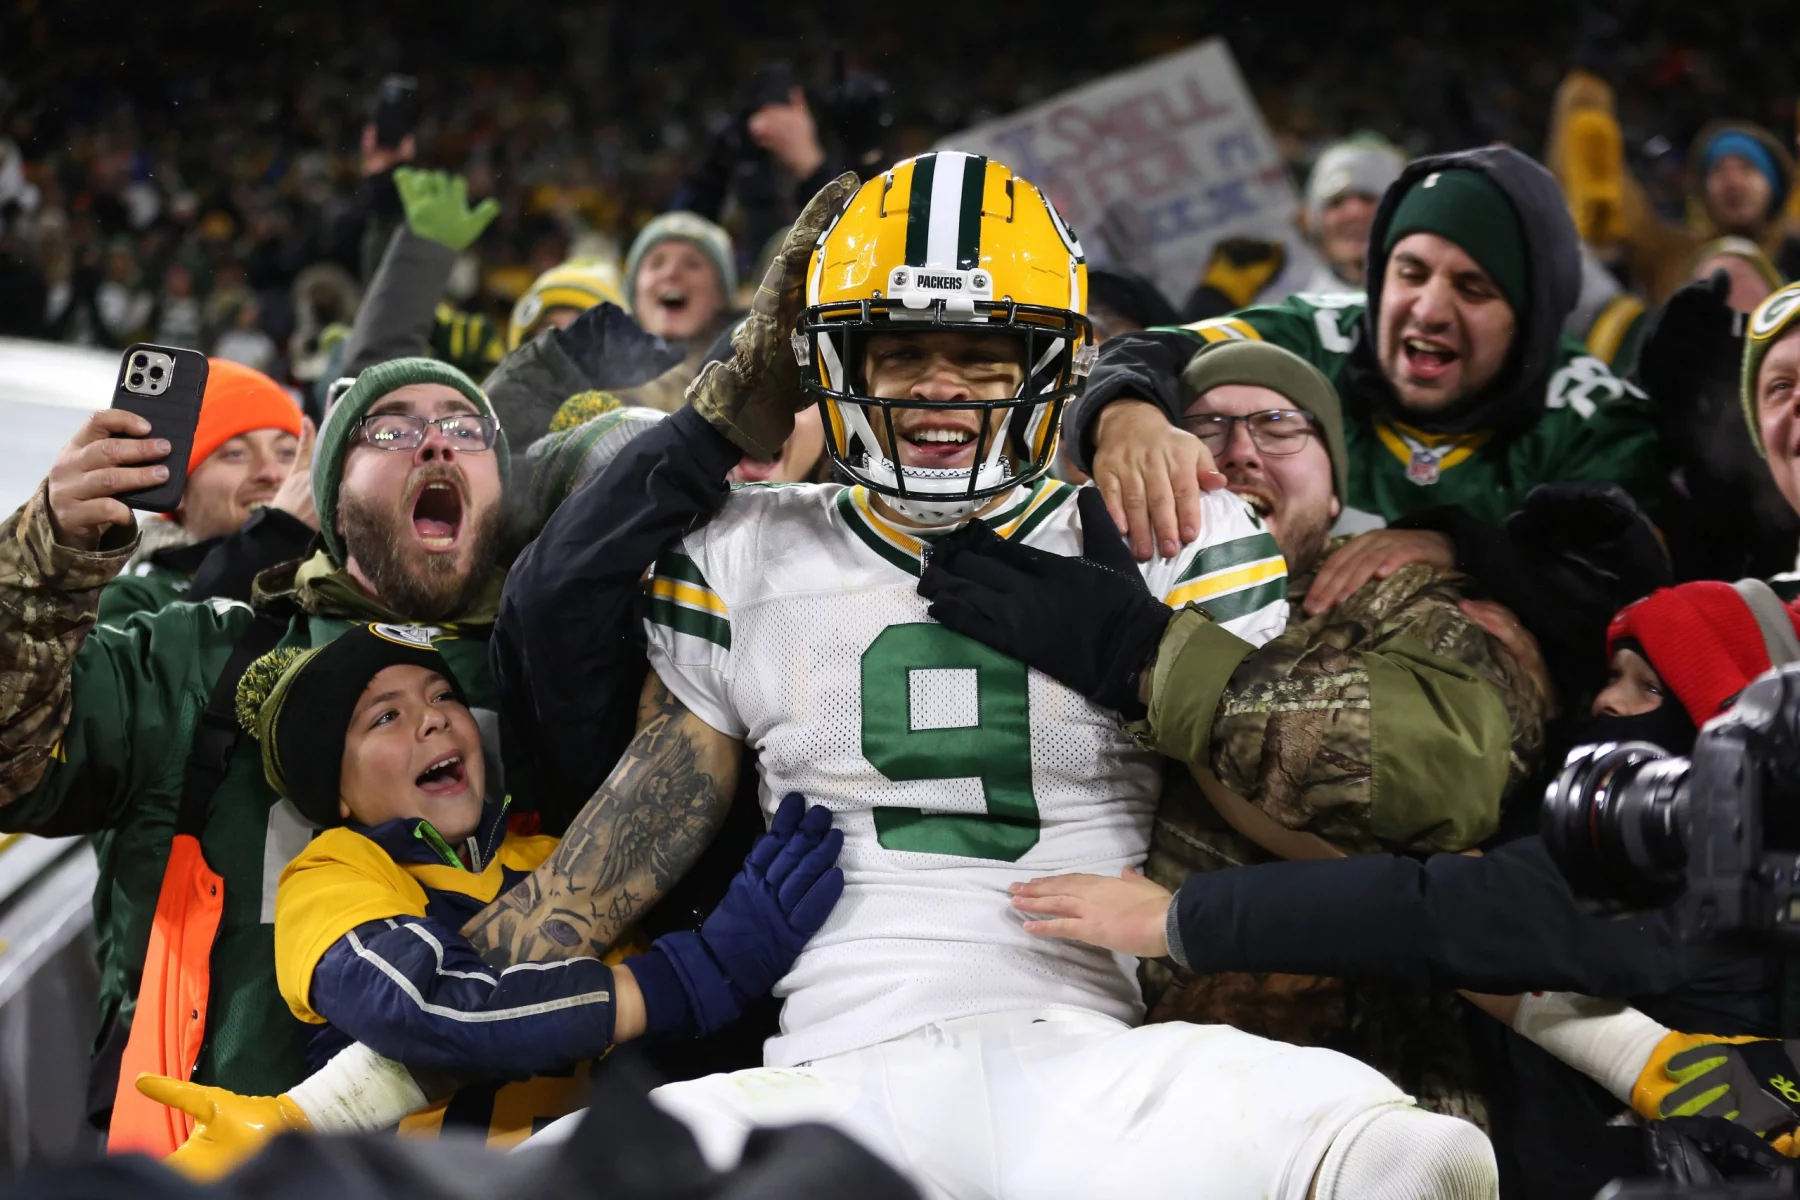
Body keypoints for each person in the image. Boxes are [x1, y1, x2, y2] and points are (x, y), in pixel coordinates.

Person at [505, 153, 1491, 1198]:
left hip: (1090, 1059)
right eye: (902, 351)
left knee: (1413, 1158)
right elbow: (605, 868)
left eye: (982, 356)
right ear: (832, 363)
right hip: (824, 1062)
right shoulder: (744, 547)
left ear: (1053, 369)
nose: (939, 386)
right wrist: (387, 1042)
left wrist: (1148, 659)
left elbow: (1288, 825)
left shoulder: (1163, 528)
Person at [0, 354, 699, 1158]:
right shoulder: (202, 658)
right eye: (392, 428)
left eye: (464, 428)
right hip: (229, 1167)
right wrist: (41, 560)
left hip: (520, 1168)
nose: (434, 444)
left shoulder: (567, 662)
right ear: (330, 491)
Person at [921, 335, 1549, 1119]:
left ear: (1333, 493)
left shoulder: (1405, 594)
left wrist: (1146, 657)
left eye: (1281, 427)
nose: (1241, 453)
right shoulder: (1050, 594)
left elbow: (1449, 768)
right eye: (1206, 428)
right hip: (1098, 1090)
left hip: (1370, 1094)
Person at [1010, 577, 1797, 1197]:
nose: (1607, 702)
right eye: (1612, 677)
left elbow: (1444, 912)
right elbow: (1492, 946)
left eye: (1648, 689)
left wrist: (1179, 920)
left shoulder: (1695, 858)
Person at [135, 624, 842, 1164]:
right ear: (337, 793)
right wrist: (700, 973)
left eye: (443, 696)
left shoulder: (558, 859)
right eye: (384, 716)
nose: (433, 718)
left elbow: (661, 1047)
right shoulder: (334, 871)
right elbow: (422, 1007)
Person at [1069, 146, 1666, 572]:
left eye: (1474, 288)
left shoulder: (1591, 414)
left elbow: (1628, 572)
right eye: (1411, 273)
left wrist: (1474, 553)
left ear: (1532, 320)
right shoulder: (1318, 332)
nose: (1429, 310)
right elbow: (1146, 351)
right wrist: (1125, 417)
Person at [1549, 68, 1800, 301]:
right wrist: (1585, 122)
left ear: (1775, 183)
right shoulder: (1673, 255)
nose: (1732, 181)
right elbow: (1628, 219)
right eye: (1719, 170)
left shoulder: (1795, 252)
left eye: (1748, 168)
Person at [98, 359, 314, 624]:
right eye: (236, 454)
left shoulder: (335, 583)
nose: (271, 473)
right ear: (178, 488)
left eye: (287, 452)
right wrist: (268, 544)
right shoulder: (134, 601)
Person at [613, 211, 739, 412]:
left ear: (721, 296)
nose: (671, 273)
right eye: (656, 263)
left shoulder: (749, 375)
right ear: (634, 293)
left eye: (692, 264)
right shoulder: (596, 368)